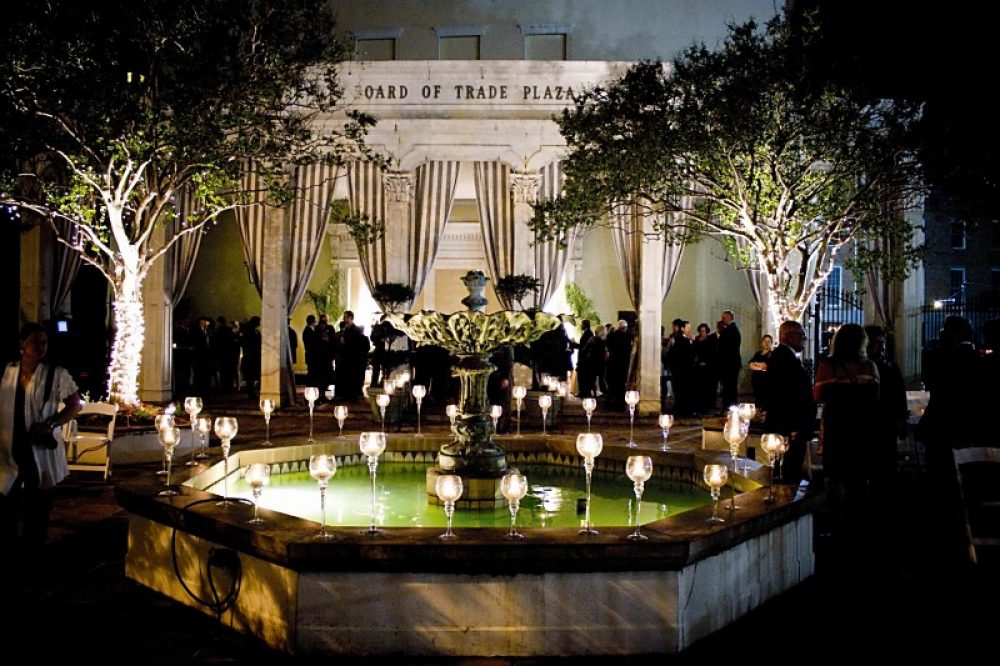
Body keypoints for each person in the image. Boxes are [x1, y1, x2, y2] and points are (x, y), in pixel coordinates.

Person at [1, 323, 82, 572]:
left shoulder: (55, 374)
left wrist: (52, 423)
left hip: (39, 448)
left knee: (39, 503)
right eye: (36, 341)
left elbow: (75, 404)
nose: (41, 347)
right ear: (22, 344)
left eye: (44, 342)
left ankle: (32, 557)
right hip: (9, 446)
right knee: (8, 502)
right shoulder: (7, 372)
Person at [813, 324, 880, 541]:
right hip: (862, 424)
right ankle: (859, 522)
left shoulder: (828, 366)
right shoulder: (869, 366)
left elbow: (818, 394)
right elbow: (875, 396)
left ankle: (837, 524)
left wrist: (838, 386)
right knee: (859, 476)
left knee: (836, 476)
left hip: (836, 424)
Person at [763, 320, 815, 485]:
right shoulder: (784, 358)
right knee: (789, 470)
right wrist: (795, 426)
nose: (804, 340)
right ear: (789, 336)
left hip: (787, 423)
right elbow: (787, 394)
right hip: (789, 426)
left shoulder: (783, 356)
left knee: (789, 468)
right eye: (802, 336)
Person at [718, 309, 742, 410]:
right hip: (732, 363)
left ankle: (728, 407)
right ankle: (730, 406)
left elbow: (724, 348)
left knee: (728, 387)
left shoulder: (729, 331)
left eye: (724, 317)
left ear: (729, 318)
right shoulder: (734, 329)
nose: (722, 319)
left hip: (728, 364)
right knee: (730, 387)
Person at [748, 334, 773, 411]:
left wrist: (756, 364)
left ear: (771, 343)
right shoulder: (758, 353)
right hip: (756, 380)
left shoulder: (772, 354)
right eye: (765, 341)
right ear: (762, 342)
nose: (766, 343)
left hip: (765, 380)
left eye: (769, 341)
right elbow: (751, 365)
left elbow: (765, 366)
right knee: (757, 398)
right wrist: (760, 366)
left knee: (764, 399)